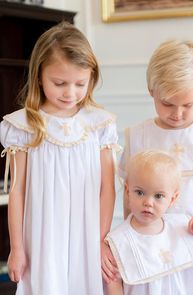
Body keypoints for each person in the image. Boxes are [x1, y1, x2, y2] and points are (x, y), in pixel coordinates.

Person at [0, 22, 119, 295]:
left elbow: (107, 188)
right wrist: (17, 248)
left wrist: (100, 239)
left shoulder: (99, 124)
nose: (70, 93)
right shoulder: (24, 126)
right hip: (43, 233)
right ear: (39, 75)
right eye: (59, 83)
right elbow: (16, 191)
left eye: (80, 84)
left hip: (87, 230)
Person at [119, 40, 193, 294]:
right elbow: (129, 195)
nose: (178, 113)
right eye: (168, 104)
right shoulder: (139, 136)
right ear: (152, 91)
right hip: (153, 247)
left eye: (188, 105)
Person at [106, 150, 193, 294]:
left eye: (158, 196)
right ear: (127, 191)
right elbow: (113, 282)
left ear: (172, 199)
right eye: (140, 192)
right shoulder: (118, 240)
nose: (148, 202)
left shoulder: (181, 227)